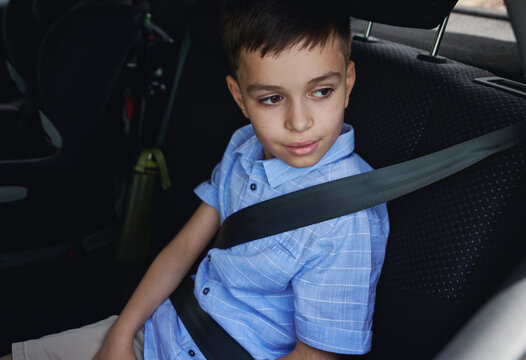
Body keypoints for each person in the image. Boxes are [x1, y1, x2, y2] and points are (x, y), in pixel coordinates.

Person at [1, 0, 389, 359]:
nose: (299, 122)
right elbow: (184, 247)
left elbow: (315, 355)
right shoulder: (244, 147)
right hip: (163, 328)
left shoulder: (347, 218)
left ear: (348, 84)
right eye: (272, 98)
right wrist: (122, 333)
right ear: (239, 99)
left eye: (321, 91)